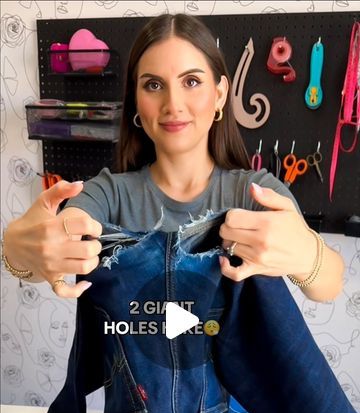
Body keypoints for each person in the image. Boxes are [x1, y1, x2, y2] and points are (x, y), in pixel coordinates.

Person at [2, 13, 344, 302]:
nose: (173, 104)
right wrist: (19, 247)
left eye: (192, 81)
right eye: (153, 85)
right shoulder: (108, 194)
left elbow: (329, 286)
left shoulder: (256, 193)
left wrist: (308, 256)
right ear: (135, 100)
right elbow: (41, 251)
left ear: (220, 94)